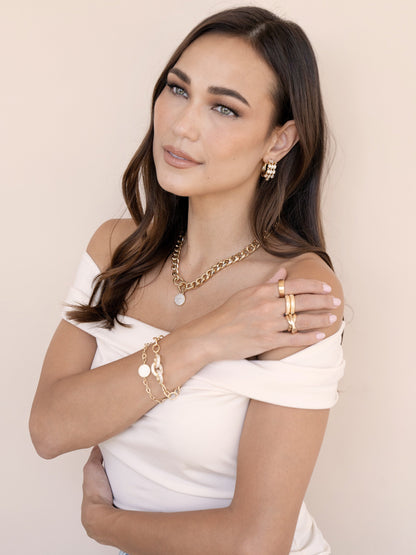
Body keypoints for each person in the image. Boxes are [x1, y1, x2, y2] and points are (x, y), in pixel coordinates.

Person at [29, 6, 345, 554]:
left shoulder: (297, 293)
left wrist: (106, 526)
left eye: (224, 107)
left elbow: (256, 542)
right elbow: (50, 429)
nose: (182, 125)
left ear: (279, 140)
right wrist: (202, 339)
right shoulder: (114, 249)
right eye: (178, 90)